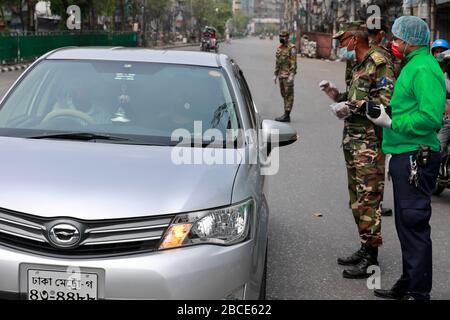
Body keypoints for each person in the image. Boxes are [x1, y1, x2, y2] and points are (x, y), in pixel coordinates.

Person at [367, 16, 446, 300]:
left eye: (399, 39)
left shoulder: (424, 68)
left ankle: (418, 292)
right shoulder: (414, 65)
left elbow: (429, 116)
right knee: (405, 224)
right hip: (404, 154)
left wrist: (393, 123)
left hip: (416, 155)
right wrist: (385, 111)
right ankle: (408, 282)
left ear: (411, 42)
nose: (394, 43)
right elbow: (408, 105)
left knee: (413, 224)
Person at [319, 22, 395, 279]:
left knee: (369, 200)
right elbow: (354, 97)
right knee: (356, 200)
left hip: (370, 144)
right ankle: (365, 247)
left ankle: (371, 258)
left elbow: (386, 103)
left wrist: (353, 106)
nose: (341, 46)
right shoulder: (357, 64)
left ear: (354, 40)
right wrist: (336, 96)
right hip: (353, 141)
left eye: (343, 41)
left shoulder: (378, 61)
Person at [366, 16, 395, 217]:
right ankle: (372, 202)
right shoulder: (378, 56)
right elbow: (385, 95)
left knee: (368, 163)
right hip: (374, 117)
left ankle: (366, 200)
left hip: (368, 116)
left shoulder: (363, 54)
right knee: (374, 165)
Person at [273, 30, 297, 122]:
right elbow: (277, 63)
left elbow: (293, 63)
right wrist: (275, 74)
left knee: (289, 95)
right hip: (281, 76)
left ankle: (287, 115)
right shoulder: (279, 48)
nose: (281, 38)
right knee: (283, 94)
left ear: (288, 37)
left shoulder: (292, 48)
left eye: (283, 36)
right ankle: (286, 113)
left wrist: (292, 75)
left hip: (288, 76)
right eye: (280, 36)